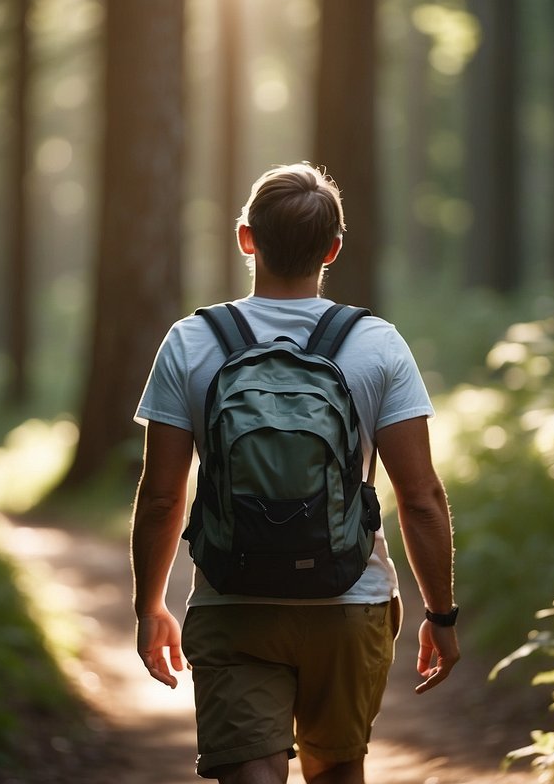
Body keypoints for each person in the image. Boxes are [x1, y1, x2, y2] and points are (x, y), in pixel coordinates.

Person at [131, 162, 459, 784]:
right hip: (348, 600)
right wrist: (440, 616)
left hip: (233, 600)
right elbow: (422, 498)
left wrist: (150, 606)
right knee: (337, 771)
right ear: (333, 248)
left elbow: (160, 496)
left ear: (245, 238)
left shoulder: (191, 342)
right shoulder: (376, 344)